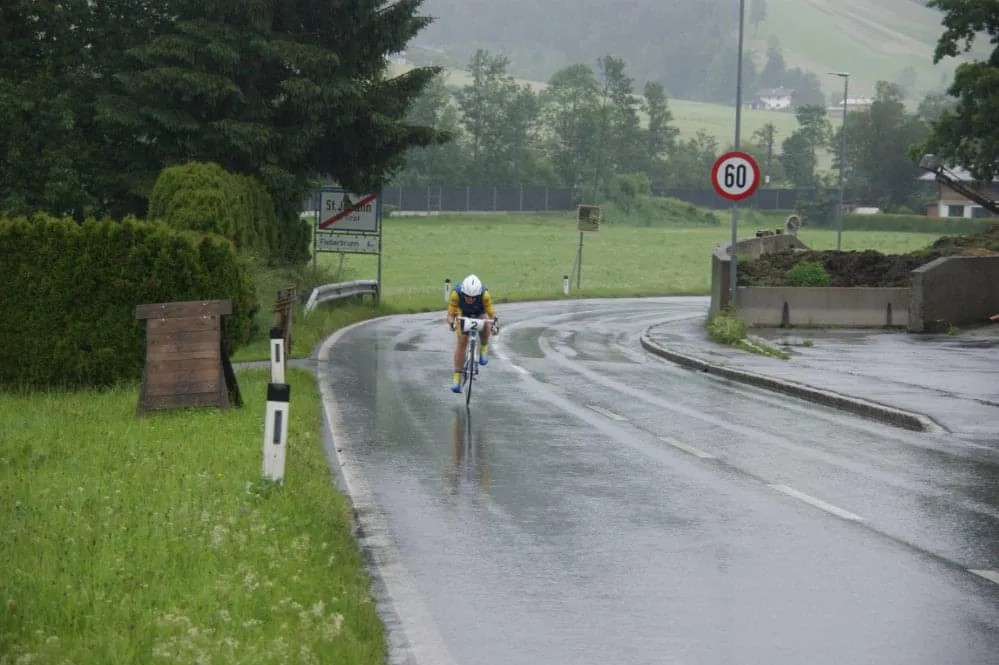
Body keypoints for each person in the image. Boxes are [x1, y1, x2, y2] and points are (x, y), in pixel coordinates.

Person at [446, 274, 496, 392]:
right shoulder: (456, 294)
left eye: (473, 297)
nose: (469, 299)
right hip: (463, 314)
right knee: (462, 341)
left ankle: (483, 347)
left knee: (486, 321)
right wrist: (452, 323)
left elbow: (491, 314)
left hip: (480, 313)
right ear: (463, 292)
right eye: (467, 296)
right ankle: (457, 377)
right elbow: (450, 315)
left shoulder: (484, 295)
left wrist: (493, 325)